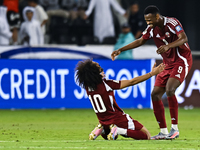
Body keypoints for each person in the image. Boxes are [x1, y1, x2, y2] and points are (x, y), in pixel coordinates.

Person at [111, 5, 193, 140]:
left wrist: (168, 46)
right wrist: (121, 49)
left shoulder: (172, 23)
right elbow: (140, 41)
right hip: (167, 63)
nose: (148, 23)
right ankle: (163, 131)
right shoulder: (151, 28)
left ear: (157, 16)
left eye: (150, 20)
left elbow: (184, 38)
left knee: (170, 89)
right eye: (146, 20)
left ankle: (175, 129)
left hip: (181, 59)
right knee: (155, 94)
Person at [75, 59, 165, 140]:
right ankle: (118, 130)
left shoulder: (88, 87)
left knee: (111, 136)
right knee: (146, 135)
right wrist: (151, 73)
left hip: (103, 122)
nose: (102, 70)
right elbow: (132, 82)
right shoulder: (106, 84)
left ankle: (101, 130)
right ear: (95, 73)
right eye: (100, 68)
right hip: (118, 119)